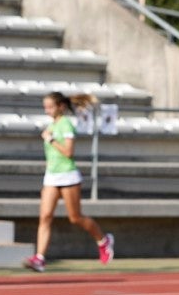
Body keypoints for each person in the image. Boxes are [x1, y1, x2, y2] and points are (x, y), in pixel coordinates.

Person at [23, 91, 115, 272]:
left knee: (76, 218)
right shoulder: (52, 125)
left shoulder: (65, 125)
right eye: (45, 107)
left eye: (50, 107)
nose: (46, 110)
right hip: (51, 176)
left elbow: (68, 152)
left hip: (68, 175)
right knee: (45, 216)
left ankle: (103, 240)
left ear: (61, 107)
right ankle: (40, 258)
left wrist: (50, 139)